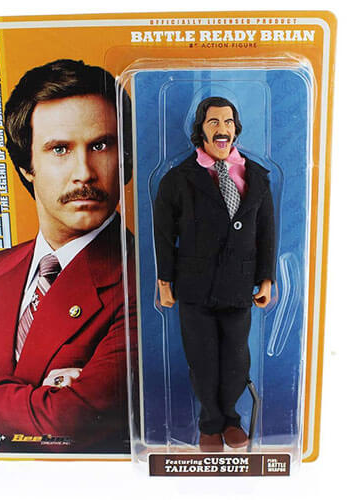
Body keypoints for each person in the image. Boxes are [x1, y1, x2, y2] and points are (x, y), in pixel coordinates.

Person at [0, 59, 135, 454]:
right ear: (26, 165)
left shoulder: (148, 283)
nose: (84, 172)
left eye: (100, 145)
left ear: (125, 157)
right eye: (60, 149)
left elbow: (68, 420)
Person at [153, 96, 276, 452]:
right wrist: (164, 282)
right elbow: (164, 235)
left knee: (236, 360)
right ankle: (210, 425)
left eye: (228, 122)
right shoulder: (179, 180)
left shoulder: (256, 177)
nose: (222, 129)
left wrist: (266, 279)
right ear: (201, 131)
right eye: (214, 122)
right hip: (196, 288)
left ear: (236, 129)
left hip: (239, 287)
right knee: (203, 360)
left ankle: (231, 420)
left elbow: (266, 231)